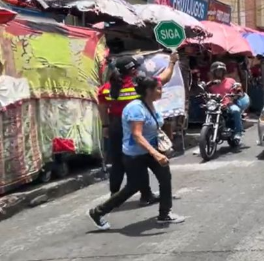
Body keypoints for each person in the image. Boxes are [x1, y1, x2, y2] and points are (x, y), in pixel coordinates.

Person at [89, 76, 185, 230]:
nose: (161, 91)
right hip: (135, 155)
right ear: (148, 90)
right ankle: (98, 212)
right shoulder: (136, 109)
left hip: (151, 150)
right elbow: (137, 135)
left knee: (165, 178)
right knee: (133, 187)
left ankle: (164, 214)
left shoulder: (151, 104)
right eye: (158, 88)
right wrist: (156, 154)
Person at [97, 52, 179, 205]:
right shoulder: (139, 85)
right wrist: (172, 62)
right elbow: (164, 78)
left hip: (115, 126)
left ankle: (115, 196)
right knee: (140, 159)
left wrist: (105, 125)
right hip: (136, 126)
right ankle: (146, 195)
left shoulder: (107, 88)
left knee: (117, 163)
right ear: (133, 70)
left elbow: (102, 107)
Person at [207, 61, 251, 145]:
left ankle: (238, 132)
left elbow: (238, 89)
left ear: (224, 72)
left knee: (236, 111)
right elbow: (205, 90)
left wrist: (237, 92)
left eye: (221, 70)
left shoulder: (230, 80)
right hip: (216, 105)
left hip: (229, 104)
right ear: (213, 72)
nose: (219, 73)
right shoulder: (211, 83)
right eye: (217, 71)